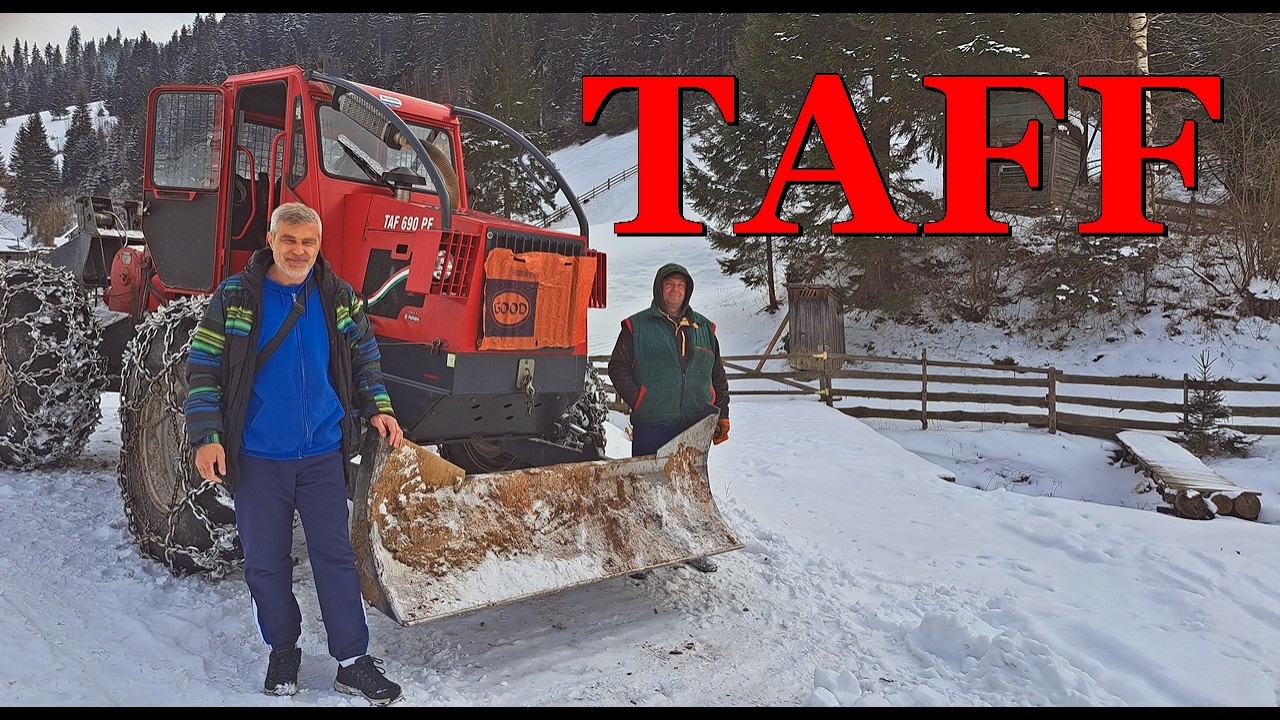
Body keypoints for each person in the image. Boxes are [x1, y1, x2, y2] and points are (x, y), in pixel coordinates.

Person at [184, 202, 405, 705]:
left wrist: (380, 408)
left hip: (322, 454)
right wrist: (207, 436)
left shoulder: (337, 296)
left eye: (308, 242)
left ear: (318, 244)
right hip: (259, 456)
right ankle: (283, 648)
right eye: (289, 240)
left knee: (335, 557)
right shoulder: (237, 297)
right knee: (266, 562)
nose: (299, 251)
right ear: (271, 238)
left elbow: (365, 357)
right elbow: (202, 368)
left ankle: (352, 660)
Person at [608, 262, 731, 576]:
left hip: (693, 425)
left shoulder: (704, 328)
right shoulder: (637, 326)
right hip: (652, 421)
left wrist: (722, 414)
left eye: (680, 286)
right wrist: (639, 399)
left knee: (689, 490)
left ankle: (692, 549)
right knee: (646, 489)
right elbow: (617, 367)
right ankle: (642, 554)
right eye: (669, 285)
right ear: (659, 289)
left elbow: (718, 376)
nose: (675, 291)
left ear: (687, 290)